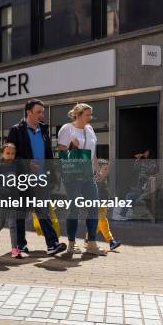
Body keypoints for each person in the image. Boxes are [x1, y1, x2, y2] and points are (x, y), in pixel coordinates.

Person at [6, 99, 67, 256]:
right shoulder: (16, 131)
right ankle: (20, 244)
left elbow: (48, 155)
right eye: (38, 112)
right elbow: (10, 155)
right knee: (21, 212)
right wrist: (27, 164)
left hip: (42, 179)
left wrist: (53, 176)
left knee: (43, 211)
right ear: (28, 112)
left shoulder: (43, 130)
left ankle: (52, 244)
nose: (42, 115)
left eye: (43, 112)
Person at [57, 103, 107, 256]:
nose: (90, 117)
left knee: (93, 207)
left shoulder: (89, 129)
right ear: (77, 115)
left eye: (90, 115)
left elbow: (93, 152)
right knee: (74, 209)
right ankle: (71, 244)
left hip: (88, 174)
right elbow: (61, 152)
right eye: (87, 115)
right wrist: (72, 146)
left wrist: (97, 170)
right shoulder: (67, 128)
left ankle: (91, 243)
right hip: (73, 175)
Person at [0, 143, 22, 258]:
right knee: (0, 223)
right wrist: (2, 189)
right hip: (2, 199)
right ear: (2, 154)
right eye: (7, 153)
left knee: (12, 224)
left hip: (14, 199)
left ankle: (14, 249)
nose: (10, 155)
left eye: (12, 153)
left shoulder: (17, 166)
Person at [90, 159, 121, 250]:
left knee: (99, 223)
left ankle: (89, 238)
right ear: (98, 169)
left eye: (108, 169)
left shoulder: (103, 179)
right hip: (98, 204)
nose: (107, 171)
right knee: (103, 221)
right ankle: (111, 241)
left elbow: (104, 192)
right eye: (105, 169)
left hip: (102, 204)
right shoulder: (96, 179)